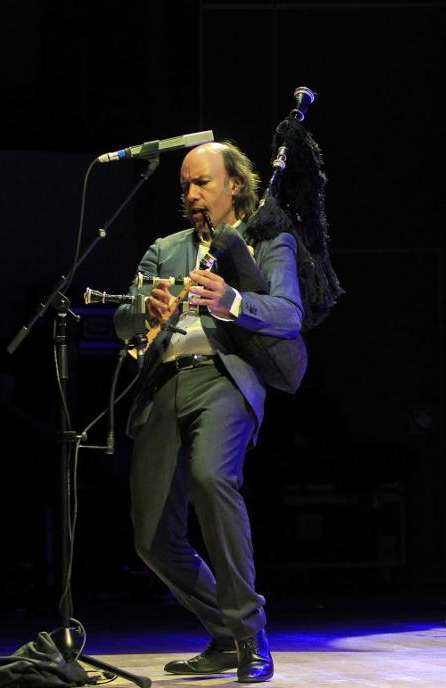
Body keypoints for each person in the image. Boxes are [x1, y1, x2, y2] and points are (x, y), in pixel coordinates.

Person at [114, 141, 306, 683]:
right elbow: (123, 321)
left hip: (223, 377)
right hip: (163, 382)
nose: (191, 194)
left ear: (234, 184)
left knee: (211, 477)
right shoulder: (165, 249)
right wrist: (142, 310)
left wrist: (232, 302)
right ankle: (225, 634)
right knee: (152, 539)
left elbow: (288, 314)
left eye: (201, 182)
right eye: (184, 187)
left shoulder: (267, 242)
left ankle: (248, 633)